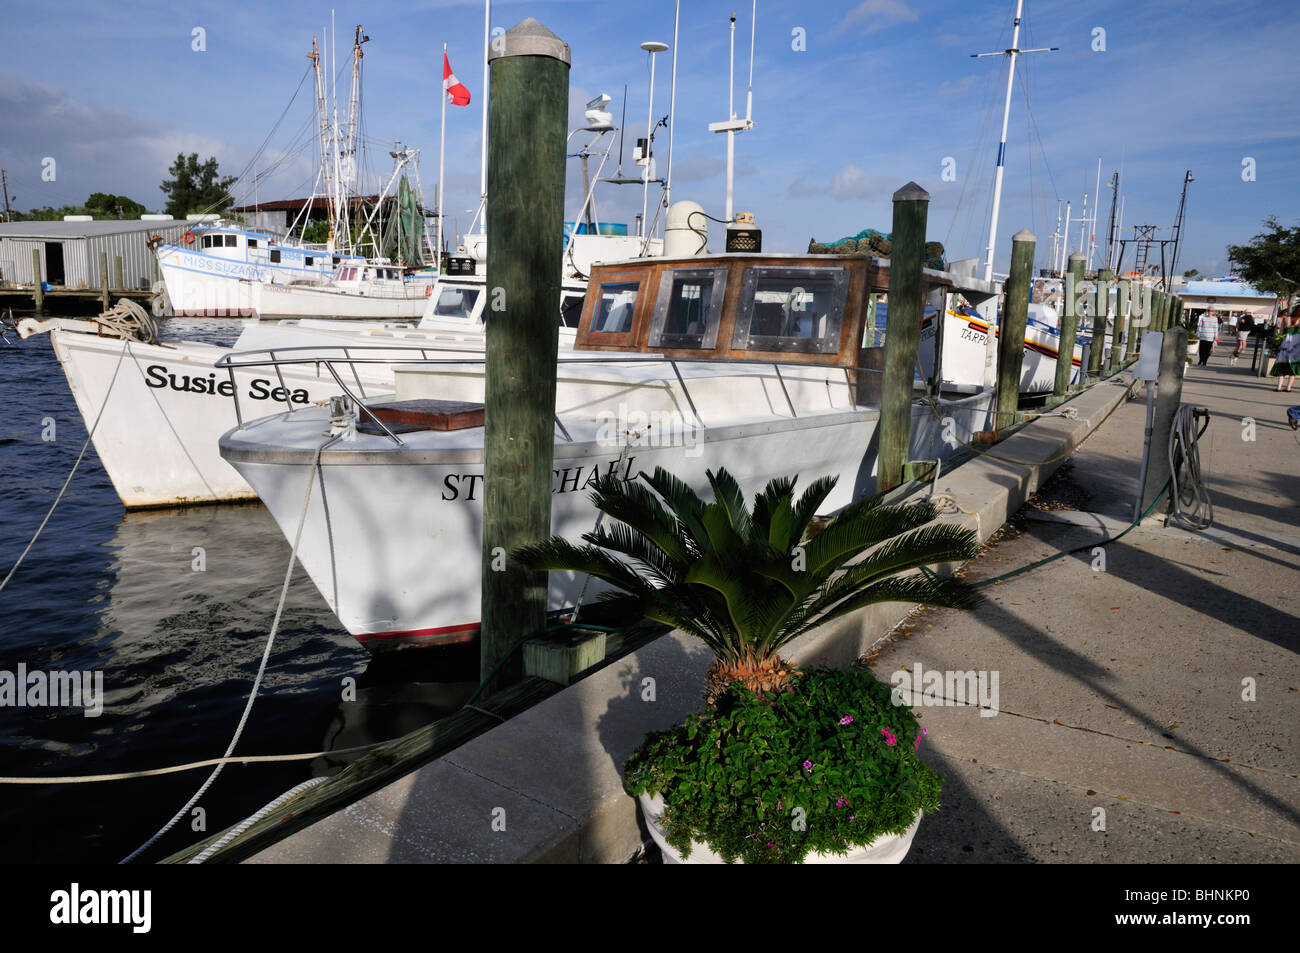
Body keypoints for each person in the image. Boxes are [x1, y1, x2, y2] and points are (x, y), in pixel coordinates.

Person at [1271, 305, 1300, 392]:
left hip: (1285, 344)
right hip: (1296, 346)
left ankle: (1279, 387)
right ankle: (1288, 388)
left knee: (1281, 365)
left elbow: (1280, 332)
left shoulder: (1286, 319)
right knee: (1293, 367)